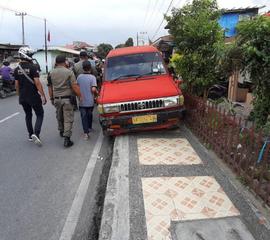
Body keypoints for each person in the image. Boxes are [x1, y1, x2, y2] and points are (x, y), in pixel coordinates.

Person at [14, 47, 47, 146]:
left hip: (23, 97)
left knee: (28, 115)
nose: (32, 57)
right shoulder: (33, 67)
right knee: (40, 114)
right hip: (33, 96)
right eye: (31, 55)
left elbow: (16, 85)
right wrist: (43, 96)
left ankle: (30, 135)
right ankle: (36, 134)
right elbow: (37, 83)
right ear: (27, 55)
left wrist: (19, 95)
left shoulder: (17, 69)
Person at [47, 55, 81, 148]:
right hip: (67, 99)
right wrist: (80, 96)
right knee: (68, 118)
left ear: (56, 62)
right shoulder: (69, 72)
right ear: (64, 62)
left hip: (56, 99)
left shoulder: (50, 73)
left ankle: (61, 131)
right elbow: (74, 86)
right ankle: (67, 139)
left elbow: (50, 87)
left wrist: (51, 98)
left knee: (59, 116)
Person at [77, 61, 98, 140]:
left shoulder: (79, 77)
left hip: (82, 101)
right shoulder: (92, 77)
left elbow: (77, 87)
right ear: (90, 68)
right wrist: (96, 93)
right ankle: (89, 127)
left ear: (83, 68)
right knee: (89, 114)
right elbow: (93, 89)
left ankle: (86, 133)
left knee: (83, 117)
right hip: (90, 101)